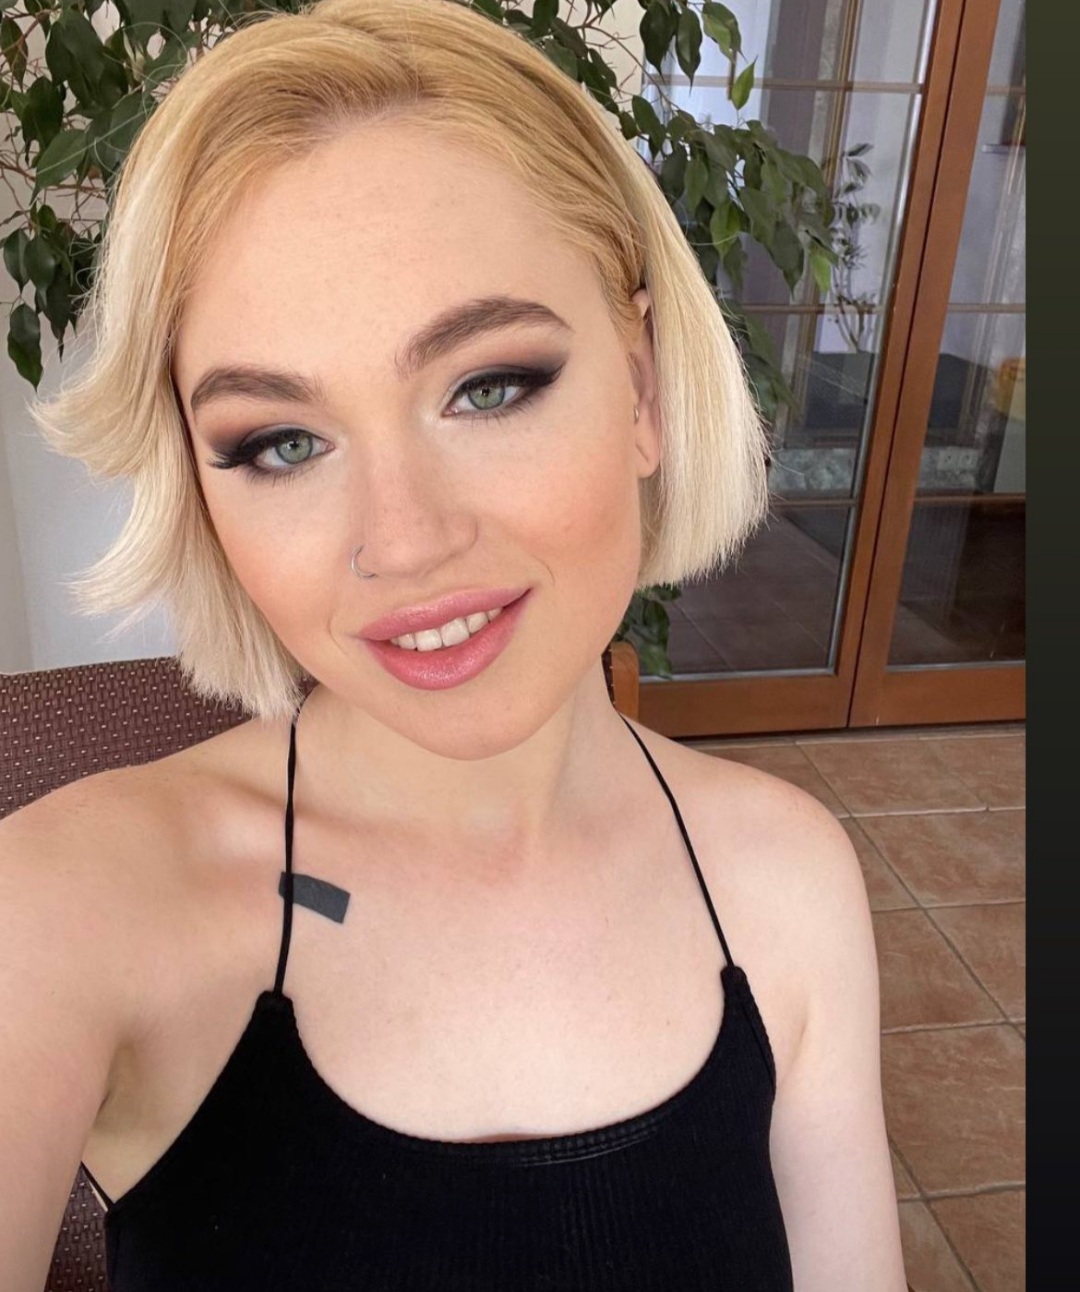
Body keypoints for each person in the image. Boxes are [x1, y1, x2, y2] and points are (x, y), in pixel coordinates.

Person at [0, 1, 907, 1288]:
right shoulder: (63, 910)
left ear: (643, 390)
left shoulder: (786, 883)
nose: (404, 540)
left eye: (489, 385)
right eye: (281, 442)